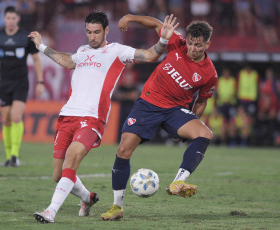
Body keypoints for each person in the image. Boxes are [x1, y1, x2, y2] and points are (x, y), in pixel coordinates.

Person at [28, 10, 178, 224]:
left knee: (72, 159)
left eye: (97, 32)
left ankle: (51, 211)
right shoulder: (82, 51)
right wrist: (42, 46)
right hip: (68, 115)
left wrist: (163, 39)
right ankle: (87, 198)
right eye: (89, 32)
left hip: (91, 118)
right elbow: (68, 61)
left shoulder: (117, 50)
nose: (92, 37)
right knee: (58, 174)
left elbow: (151, 55)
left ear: (106, 30)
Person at [101, 14, 217, 220]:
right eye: (190, 43)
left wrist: (189, 122)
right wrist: (129, 17)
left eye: (198, 45)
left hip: (175, 111)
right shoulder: (177, 42)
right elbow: (156, 23)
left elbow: (201, 101)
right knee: (123, 150)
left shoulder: (209, 74)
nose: (192, 49)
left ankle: (178, 181)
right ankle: (116, 207)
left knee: (204, 133)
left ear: (208, 44)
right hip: (148, 105)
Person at [0, 6, 44, 167]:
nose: (11, 21)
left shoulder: (25, 38)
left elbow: (36, 60)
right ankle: (8, 156)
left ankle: (14, 155)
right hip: (4, 84)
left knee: (16, 117)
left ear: (17, 19)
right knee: (5, 120)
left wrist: (40, 82)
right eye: (8, 18)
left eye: (14, 18)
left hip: (21, 83)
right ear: (4, 19)